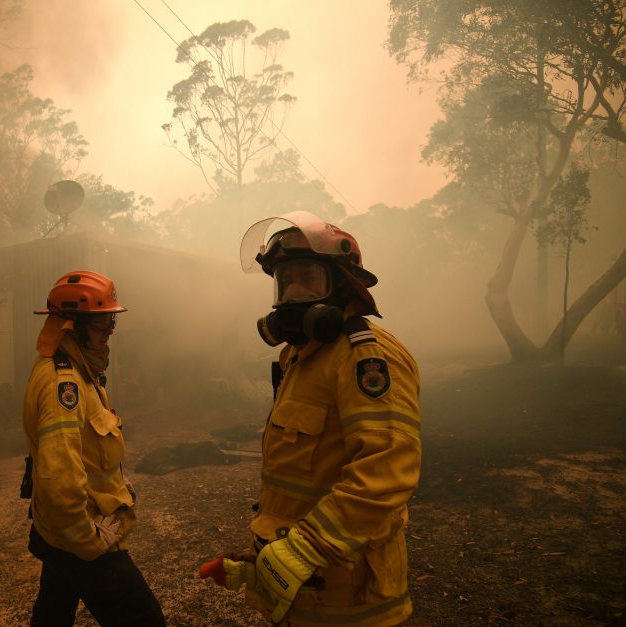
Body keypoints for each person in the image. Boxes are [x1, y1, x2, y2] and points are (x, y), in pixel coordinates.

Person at [199, 212, 421, 626]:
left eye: (308, 279)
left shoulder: (366, 358)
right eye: (286, 282)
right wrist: (263, 560)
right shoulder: (301, 358)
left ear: (343, 284)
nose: (294, 294)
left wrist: (305, 548)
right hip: (303, 589)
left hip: (349, 602)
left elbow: (387, 472)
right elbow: (302, 478)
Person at [21, 269, 165, 627]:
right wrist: (90, 542)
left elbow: (85, 451)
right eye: (104, 325)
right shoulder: (64, 385)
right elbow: (58, 479)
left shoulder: (77, 371)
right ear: (74, 326)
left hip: (56, 535)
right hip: (81, 537)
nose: (110, 334)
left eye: (111, 323)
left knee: (53, 613)